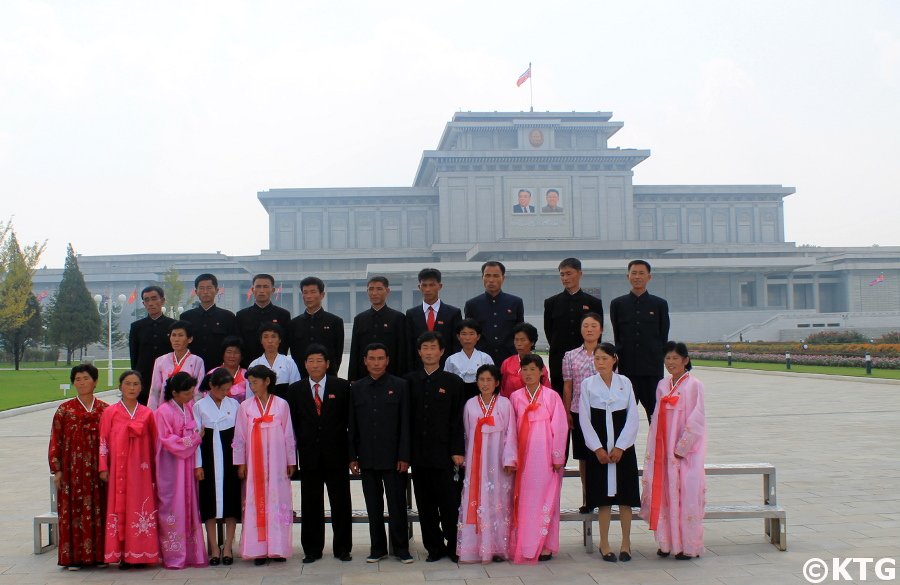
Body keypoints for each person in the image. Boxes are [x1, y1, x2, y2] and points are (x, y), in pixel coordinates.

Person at [285, 345, 353, 564]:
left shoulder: (342, 387)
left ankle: (343, 548)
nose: (315, 365)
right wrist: (291, 458)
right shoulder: (295, 390)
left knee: (341, 503)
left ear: (327, 363)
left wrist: (352, 456)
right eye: (310, 361)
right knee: (311, 504)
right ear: (304, 364)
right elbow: (291, 427)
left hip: (337, 454)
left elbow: (350, 423)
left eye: (319, 360)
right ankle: (312, 549)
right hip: (309, 456)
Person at [348, 343, 413, 564]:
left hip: (394, 459)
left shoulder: (400, 385)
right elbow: (352, 425)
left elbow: (405, 423)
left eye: (380, 359)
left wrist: (404, 456)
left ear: (387, 360)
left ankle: (401, 548)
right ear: (365, 360)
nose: (376, 363)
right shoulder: (356, 388)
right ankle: (377, 548)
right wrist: (352, 456)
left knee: (397, 505)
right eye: (372, 359)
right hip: (367, 457)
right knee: (373, 506)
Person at [640, 342, 707, 560]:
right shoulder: (662, 385)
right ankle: (666, 543)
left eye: (675, 358)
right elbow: (656, 418)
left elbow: (697, 420)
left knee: (686, 495)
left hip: (685, 454)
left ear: (686, 360)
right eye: (667, 358)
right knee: (666, 495)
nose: (671, 363)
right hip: (663, 451)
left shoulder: (694, 386)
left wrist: (682, 447)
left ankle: (688, 546)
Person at [404, 332, 465, 563]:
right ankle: (433, 547)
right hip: (419, 455)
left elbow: (458, 420)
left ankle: (454, 545)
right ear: (419, 352)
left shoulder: (453, 382)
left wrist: (457, 450)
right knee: (426, 505)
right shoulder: (408, 382)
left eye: (433, 348)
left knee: (449, 504)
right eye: (424, 348)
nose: (429, 352)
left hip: (445, 455)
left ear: (441, 352)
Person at [578, 343, 640, 563]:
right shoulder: (587, 385)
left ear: (614, 359)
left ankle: (626, 543)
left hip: (623, 449)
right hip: (600, 449)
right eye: (597, 359)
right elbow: (584, 419)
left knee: (625, 498)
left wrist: (622, 446)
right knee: (603, 499)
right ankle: (604, 543)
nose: (600, 363)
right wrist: (597, 448)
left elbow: (633, 416)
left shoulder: (625, 383)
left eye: (605, 358)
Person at [233, 364, 297, 565]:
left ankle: (277, 548)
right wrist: (240, 462)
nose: (252, 386)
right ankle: (258, 549)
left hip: (277, 463)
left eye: (255, 382)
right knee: (256, 500)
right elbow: (240, 436)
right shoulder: (245, 407)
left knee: (277, 500)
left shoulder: (281, 405)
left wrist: (291, 460)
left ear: (267, 381)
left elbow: (288, 434)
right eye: (250, 382)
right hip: (255, 464)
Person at [48, 364, 109, 570]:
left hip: (97, 470)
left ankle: (99, 555)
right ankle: (73, 557)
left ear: (95, 381)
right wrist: (57, 469)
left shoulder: (105, 410)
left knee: (99, 507)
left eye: (86, 378)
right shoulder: (64, 410)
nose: (82, 382)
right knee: (72, 511)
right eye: (78, 379)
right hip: (72, 470)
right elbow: (56, 439)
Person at [507, 355, 568, 564]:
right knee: (524, 501)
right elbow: (511, 431)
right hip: (523, 458)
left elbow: (560, 427)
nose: (528, 374)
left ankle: (546, 545)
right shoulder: (515, 397)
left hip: (545, 458)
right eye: (524, 370)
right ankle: (525, 544)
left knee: (547, 500)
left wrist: (558, 456)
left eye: (533, 369)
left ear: (542, 372)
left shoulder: (551, 397)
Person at [98, 371, 161, 568]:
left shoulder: (148, 413)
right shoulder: (110, 413)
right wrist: (103, 466)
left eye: (135, 384)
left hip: (141, 471)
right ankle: (123, 553)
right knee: (120, 506)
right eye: (128, 384)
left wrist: (154, 470)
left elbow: (154, 444)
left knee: (139, 506)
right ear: (120, 387)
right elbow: (103, 441)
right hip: (118, 469)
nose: (132, 388)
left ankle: (141, 554)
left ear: (141, 388)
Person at [457, 364, 516, 564]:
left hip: (498, 461)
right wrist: (465, 458)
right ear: (476, 382)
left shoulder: (505, 404)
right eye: (481, 380)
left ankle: (499, 546)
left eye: (489, 380)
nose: (485, 384)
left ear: (497, 382)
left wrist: (509, 458)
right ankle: (476, 546)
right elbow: (465, 434)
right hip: (476, 460)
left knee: (498, 500)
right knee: (477, 499)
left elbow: (511, 433)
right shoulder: (470, 405)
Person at [154, 372, 207, 569]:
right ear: (175, 393)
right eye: (187, 394)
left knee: (189, 504)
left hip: (187, 464)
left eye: (192, 393)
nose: (190, 397)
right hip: (171, 466)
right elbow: (168, 441)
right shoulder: (162, 412)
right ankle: (173, 555)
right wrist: (194, 439)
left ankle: (191, 554)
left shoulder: (189, 407)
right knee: (171, 506)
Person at [609, 260, 670, 420]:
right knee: (624, 418)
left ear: (649, 277)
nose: (637, 277)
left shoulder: (659, 304)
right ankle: (626, 446)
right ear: (627, 276)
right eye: (634, 273)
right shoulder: (617, 304)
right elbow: (618, 336)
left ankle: (657, 446)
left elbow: (663, 336)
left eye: (641, 273)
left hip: (652, 371)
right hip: (626, 371)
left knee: (656, 416)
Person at [193, 368, 241, 567]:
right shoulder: (199, 406)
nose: (225, 393)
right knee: (209, 503)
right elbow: (196, 437)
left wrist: (240, 462)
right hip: (208, 458)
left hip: (230, 459)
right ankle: (213, 547)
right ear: (212, 386)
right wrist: (198, 465)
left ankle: (228, 546)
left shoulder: (235, 404)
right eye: (222, 389)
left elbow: (240, 436)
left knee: (230, 501)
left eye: (228, 389)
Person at [544, 257, 604, 401]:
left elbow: (597, 333)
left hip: (587, 362)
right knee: (559, 398)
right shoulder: (551, 302)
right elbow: (549, 331)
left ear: (580, 274)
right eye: (562, 274)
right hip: (559, 359)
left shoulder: (593, 302)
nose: (565, 278)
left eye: (569, 273)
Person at [562, 313, 604, 513]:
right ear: (580, 330)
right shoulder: (570, 356)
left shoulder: (608, 355)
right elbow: (568, 386)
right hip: (579, 412)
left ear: (601, 330)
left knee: (601, 453)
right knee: (584, 458)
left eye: (594, 325)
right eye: (585, 325)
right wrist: (567, 412)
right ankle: (588, 497)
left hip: (603, 413)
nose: (589, 329)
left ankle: (603, 495)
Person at [464, 261, 524, 366]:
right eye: (487, 275)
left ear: (503, 278)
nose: (491, 280)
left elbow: (521, 332)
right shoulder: (472, 305)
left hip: (509, 360)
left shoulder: (515, 302)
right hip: (480, 361)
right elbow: (468, 334)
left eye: (496, 276)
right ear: (482, 278)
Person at [348, 276, 408, 380]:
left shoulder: (398, 318)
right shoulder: (360, 319)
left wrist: (401, 378)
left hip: (392, 375)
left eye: (379, 289)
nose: (374, 293)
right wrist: (353, 378)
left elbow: (402, 351)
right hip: (364, 376)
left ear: (387, 291)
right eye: (371, 289)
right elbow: (354, 351)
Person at [406, 268, 462, 369]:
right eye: (424, 285)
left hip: (446, 368)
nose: (427, 289)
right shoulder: (411, 314)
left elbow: (456, 345)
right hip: (419, 370)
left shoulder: (453, 313)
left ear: (439, 286)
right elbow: (409, 347)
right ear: (419, 287)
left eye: (431, 285)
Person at [288, 276, 344, 377]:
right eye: (305, 292)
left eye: (313, 292)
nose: (309, 296)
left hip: (328, 376)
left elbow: (337, 354)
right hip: (301, 377)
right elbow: (294, 353)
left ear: (322, 295)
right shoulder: (294, 324)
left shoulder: (335, 322)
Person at [179, 273, 236, 373]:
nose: (205, 292)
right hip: (192, 369)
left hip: (219, 370)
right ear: (196, 291)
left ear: (216, 290)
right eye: (201, 288)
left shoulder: (227, 317)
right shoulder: (186, 317)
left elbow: (233, 345)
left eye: (209, 288)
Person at [129, 286, 175, 405]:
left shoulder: (173, 325)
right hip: (144, 380)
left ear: (162, 300)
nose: (151, 303)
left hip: (168, 378)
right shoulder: (136, 327)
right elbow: (134, 357)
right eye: (147, 300)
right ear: (143, 303)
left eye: (154, 299)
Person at [234, 274, 291, 368]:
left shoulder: (283, 315)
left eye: (265, 287)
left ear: (272, 290)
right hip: (249, 366)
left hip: (276, 367)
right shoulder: (242, 315)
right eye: (258, 286)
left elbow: (285, 343)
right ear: (252, 290)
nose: (261, 290)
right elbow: (239, 344)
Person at [148, 321, 205, 410]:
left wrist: (196, 413)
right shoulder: (160, 361)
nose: (176, 339)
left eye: (180, 335)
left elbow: (198, 391)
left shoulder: (197, 361)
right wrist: (152, 413)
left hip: (188, 410)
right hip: (165, 409)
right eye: (173, 335)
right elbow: (155, 390)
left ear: (189, 339)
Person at [444, 318, 494, 400]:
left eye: (471, 334)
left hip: (482, 397)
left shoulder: (485, 358)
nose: (467, 338)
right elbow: (446, 383)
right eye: (464, 334)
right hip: (458, 397)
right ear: (458, 336)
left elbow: (492, 381)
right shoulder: (451, 360)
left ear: (478, 337)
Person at [247, 322, 301, 396]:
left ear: (279, 340)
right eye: (266, 337)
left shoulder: (289, 362)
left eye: (273, 336)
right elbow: (249, 395)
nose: (270, 341)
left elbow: (296, 390)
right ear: (261, 340)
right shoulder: (254, 364)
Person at [499, 322, 549, 398]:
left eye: (523, 340)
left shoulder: (538, 362)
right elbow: (502, 387)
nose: (519, 344)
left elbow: (546, 388)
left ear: (532, 342)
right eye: (516, 340)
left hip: (534, 405)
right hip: (511, 405)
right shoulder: (507, 363)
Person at [199, 336, 249, 402]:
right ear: (223, 354)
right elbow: (205, 396)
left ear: (241, 356)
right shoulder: (213, 373)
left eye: (236, 352)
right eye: (229, 352)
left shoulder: (247, 375)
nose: (232, 356)